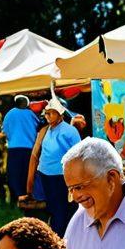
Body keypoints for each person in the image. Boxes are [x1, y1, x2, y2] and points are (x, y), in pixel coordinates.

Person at [26, 97, 81, 233]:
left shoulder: (70, 131)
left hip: (62, 177)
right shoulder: (45, 130)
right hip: (45, 175)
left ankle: (62, 238)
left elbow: (79, 154)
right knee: (51, 209)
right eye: (47, 113)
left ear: (60, 113)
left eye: (52, 112)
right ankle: (55, 236)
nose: (48, 116)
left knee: (63, 210)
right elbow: (36, 154)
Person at [1, 95, 39, 200]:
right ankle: (27, 194)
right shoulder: (31, 114)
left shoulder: (9, 114)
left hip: (14, 147)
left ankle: (18, 195)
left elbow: (5, 131)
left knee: (14, 173)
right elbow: (38, 127)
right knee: (28, 172)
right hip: (29, 148)